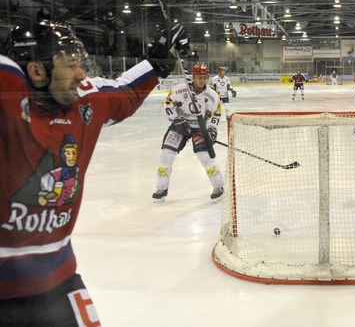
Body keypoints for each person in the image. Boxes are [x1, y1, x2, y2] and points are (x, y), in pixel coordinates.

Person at [0, 21, 188, 324]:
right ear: (36, 71)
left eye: (80, 63)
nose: (81, 74)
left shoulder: (84, 101)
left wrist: (158, 62)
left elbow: (126, 92)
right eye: (69, 65)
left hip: (57, 280)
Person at [153, 64, 224, 203]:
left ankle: (219, 187)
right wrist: (176, 120)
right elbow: (166, 105)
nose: (201, 80)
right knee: (166, 155)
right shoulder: (179, 90)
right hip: (180, 125)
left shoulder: (212, 96)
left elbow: (216, 114)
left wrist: (211, 129)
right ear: (193, 77)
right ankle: (161, 188)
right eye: (199, 77)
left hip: (199, 128)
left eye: (204, 77)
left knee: (205, 157)